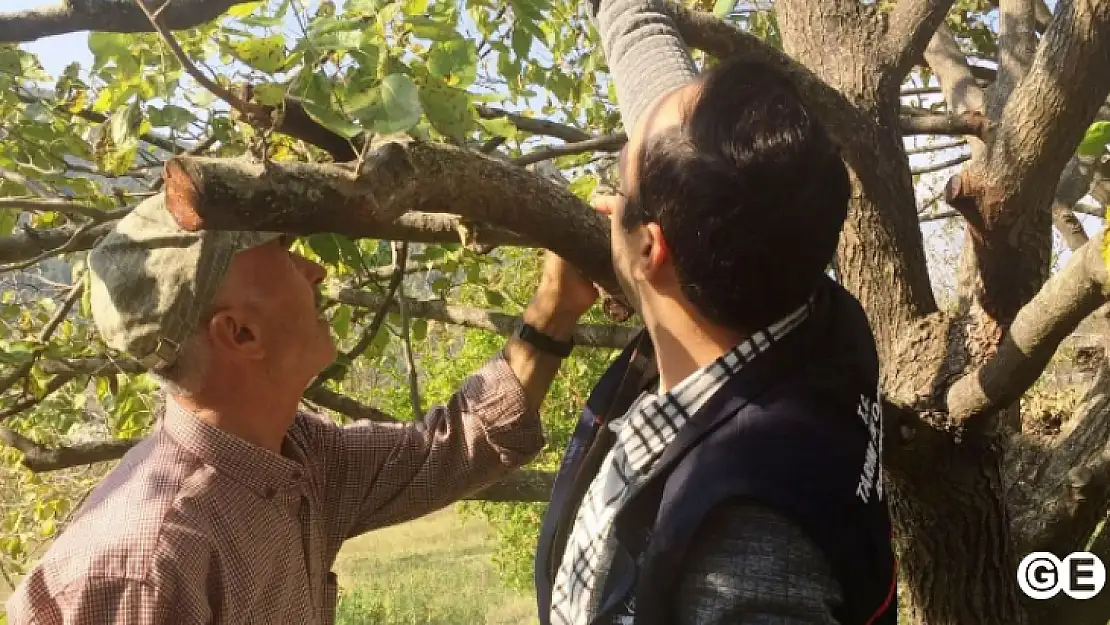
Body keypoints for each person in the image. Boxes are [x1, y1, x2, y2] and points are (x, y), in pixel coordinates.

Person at [5, 193, 598, 624]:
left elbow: (457, 443)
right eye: (285, 257)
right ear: (240, 335)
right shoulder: (146, 565)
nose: (316, 270)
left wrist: (556, 305)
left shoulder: (296, 457)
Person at [531, 0, 900, 623]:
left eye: (615, 181)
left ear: (652, 245)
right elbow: (656, 81)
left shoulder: (746, 540)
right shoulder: (799, 282)